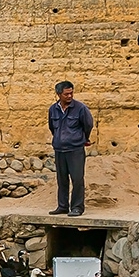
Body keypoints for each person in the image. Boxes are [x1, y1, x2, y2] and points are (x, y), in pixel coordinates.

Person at [47, 80, 94, 217]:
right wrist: (58, 139)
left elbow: (88, 125)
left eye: (71, 93)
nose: (69, 96)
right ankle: (62, 206)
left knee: (77, 179)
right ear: (58, 94)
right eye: (66, 94)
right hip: (59, 149)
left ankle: (77, 207)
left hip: (75, 149)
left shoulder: (80, 108)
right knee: (61, 179)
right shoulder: (53, 109)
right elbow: (52, 127)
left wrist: (82, 138)